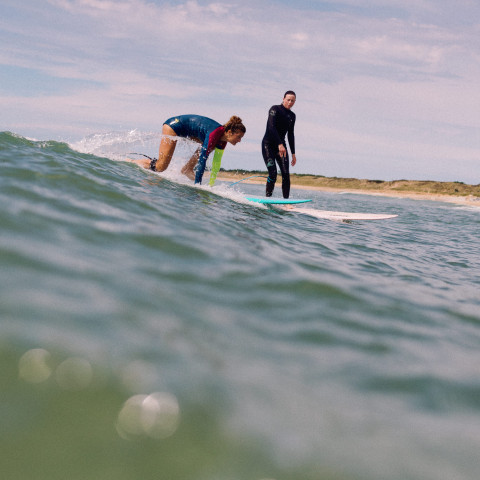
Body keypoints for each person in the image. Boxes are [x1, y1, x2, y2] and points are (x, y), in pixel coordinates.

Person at [131, 115, 246, 185]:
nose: (240, 140)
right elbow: (202, 160)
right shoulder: (214, 134)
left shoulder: (222, 141)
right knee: (161, 167)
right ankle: (132, 162)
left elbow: (216, 164)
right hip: (174, 126)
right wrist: (198, 186)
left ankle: (187, 169)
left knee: (210, 147)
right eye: (239, 137)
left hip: (190, 132)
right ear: (230, 132)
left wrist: (211, 186)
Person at [261, 91, 297, 198]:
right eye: (288, 100)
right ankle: (268, 198)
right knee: (273, 174)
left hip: (282, 147)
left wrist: (293, 153)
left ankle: (286, 202)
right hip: (268, 145)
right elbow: (271, 127)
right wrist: (280, 144)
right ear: (283, 99)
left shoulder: (292, 116)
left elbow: (290, 134)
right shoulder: (274, 109)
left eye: (293, 101)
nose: (290, 102)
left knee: (286, 174)